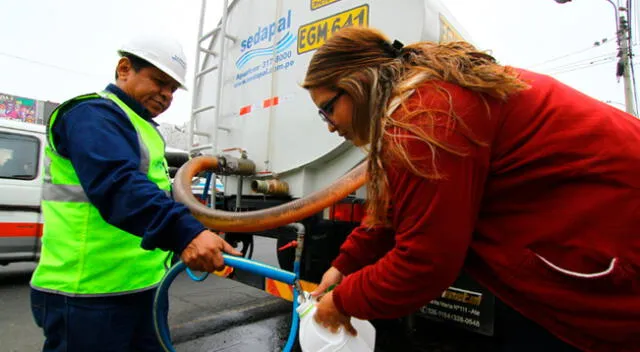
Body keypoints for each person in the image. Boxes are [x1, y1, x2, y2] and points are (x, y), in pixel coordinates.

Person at [302, 27, 640, 352]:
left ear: (358, 84)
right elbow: (391, 210)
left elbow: (424, 264)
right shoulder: (425, 99)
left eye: (328, 109)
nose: (330, 126)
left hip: (619, 230)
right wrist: (345, 264)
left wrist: (342, 302)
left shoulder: (428, 116)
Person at [30, 34, 241, 352]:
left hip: (143, 289)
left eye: (173, 89)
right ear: (125, 68)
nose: (166, 95)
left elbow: (154, 192)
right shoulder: (91, 116)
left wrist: (198, 226)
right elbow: (119, 186)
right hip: (86, 294)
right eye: (159, 82)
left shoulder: (144, 129)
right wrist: (185, 233)